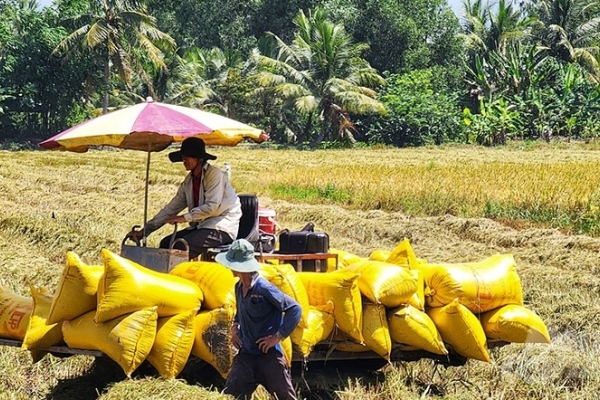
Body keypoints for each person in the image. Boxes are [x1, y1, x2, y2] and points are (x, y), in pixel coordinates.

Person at [127, 137, 242, 260]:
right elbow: (170, 210)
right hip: (201, 226)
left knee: (181, 247)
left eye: (188, 157)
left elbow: (212, 207)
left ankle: (176, 277)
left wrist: (184, 218)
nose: (184, 160)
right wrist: (145, 231)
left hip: (221, 227)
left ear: (200, 158)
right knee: (166, 243)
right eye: (183, 157)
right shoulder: (188, 182)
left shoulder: (214, 175)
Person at [215, 239, 302, 400]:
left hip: (268, 357)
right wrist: (235, 328)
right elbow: (240, 312)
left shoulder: (264, 288)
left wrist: (277, 337)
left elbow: (295, 309)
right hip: (246, 355)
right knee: (229, 397)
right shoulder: (239, 287)